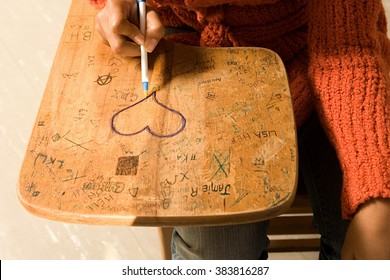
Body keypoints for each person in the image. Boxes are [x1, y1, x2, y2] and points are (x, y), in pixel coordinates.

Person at [88, 0, 390, 260]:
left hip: (321, 38)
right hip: (181, 38)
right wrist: (118, 7)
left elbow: (348, 52)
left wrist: (375, 193)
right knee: (215, 253)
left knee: (363, 238)